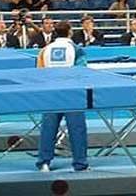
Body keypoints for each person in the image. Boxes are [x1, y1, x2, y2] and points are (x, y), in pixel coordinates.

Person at [36, 21, 89, 172]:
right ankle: (80, 163)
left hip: (51, 93)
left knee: (48, 129)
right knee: (77, 129)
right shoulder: (77, 50)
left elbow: (39, 72)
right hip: (72, 93)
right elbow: (82, 72)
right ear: (70, 32)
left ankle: (44, 162)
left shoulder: (45, 50)